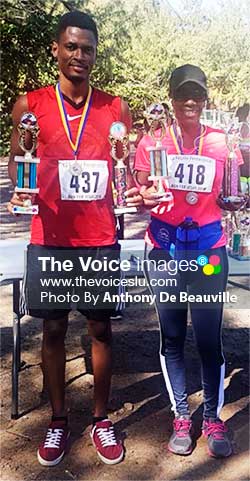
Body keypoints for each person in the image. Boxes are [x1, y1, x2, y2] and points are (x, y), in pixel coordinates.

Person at [8, 11, 142, 467]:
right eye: (71, 46)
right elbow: (15, 163)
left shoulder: (115, 107)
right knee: (52, 328)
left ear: (94, 53)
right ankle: (59, 421)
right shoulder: (29, 106)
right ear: (56, 49)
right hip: (51, 234)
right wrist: (22, 183)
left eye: (87, 48)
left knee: (101, 329)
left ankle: (102, 420)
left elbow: (124, 167)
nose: (79, 55)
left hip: (100, 234)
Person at [134, 64, 243, 458]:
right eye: (183, 94)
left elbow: (238, 186)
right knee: (173, 338)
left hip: (209, 254)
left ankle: (212, 417)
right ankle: (182, 415)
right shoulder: (153, 140)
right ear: (172, 99)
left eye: (197, 94)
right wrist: (142, 195)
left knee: (210, 339)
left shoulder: (222, 143)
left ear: (206, 98)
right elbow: (141, 187)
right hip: (164, 252)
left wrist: (240, 197)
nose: (190, 101)